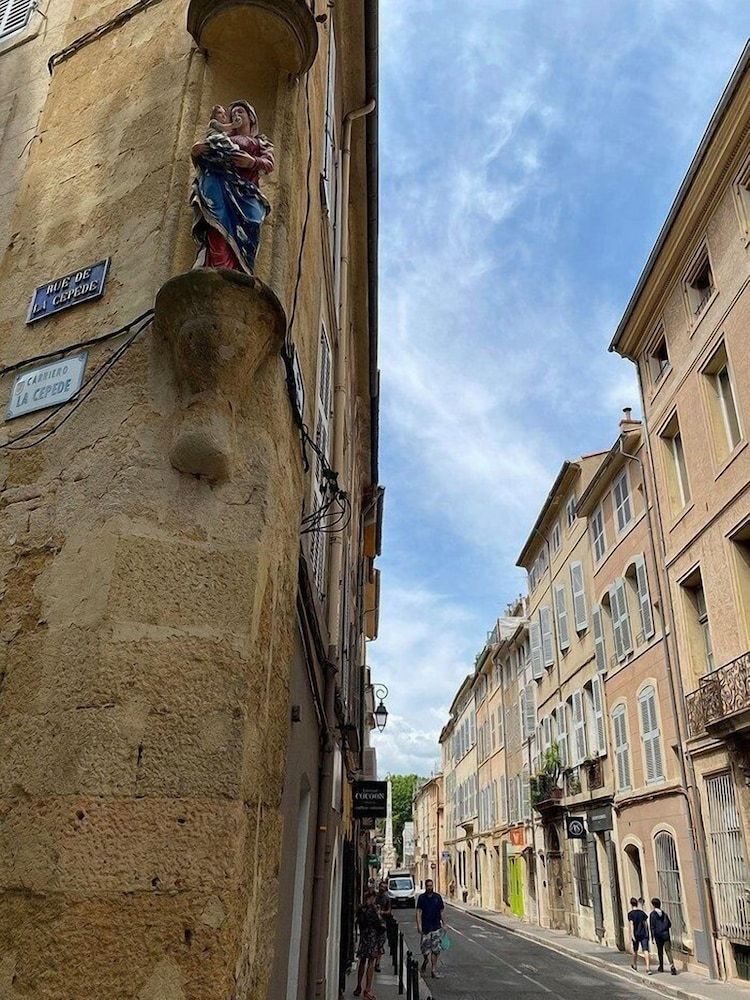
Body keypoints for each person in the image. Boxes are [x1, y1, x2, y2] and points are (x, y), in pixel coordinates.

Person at [191, 100, 275, 274]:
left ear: (251, 118)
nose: (236, 115)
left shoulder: (259, 142)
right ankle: (216, 264)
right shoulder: (223, 138)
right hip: (221, 183)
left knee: (250, 224)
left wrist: (252, 162)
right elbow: (206, 159)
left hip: (246, 192)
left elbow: (268, 164)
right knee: (217, 221)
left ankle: (239, 268)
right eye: (233, 113)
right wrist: (197, 152)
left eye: (240, 112)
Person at [353, 890, 384, 999]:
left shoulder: (361, 909)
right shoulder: (372, 910)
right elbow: (378, 925)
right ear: (371, 898)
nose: (374, 900)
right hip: (372, 938)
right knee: (371, 962)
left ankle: (358, 986)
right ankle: (368, 989)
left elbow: (358, 922)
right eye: (373, 898)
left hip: (364, 938)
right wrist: (378, 914)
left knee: (362, 962)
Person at [416, 878, 445, 980]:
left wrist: (444, 924)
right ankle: (425, 960)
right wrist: (419, 925)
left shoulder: (437, 897)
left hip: (436, 927)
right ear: (425, 886)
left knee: (435, 950)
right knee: (425, 950)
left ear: (433, 886)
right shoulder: (421, 898)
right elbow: (418, 912)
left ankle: (433, 970)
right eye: (428, 886)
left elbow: (441, 911)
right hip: (425, 927)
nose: (429, 887)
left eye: (431, 886)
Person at [649, 897, 678, 975]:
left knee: (660, 951)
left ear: (653, 905)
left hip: (658, 935)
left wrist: (652, 937)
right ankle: (672, 965)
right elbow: (669, 924)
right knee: (668, 950)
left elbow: (652, 926)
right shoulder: (664, 914)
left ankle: (661, 966)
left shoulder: (652, 914)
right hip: (666, 934)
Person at [628, 897, 652, 974]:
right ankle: (648, 968)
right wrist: (647, 933)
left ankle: (634, 965)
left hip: (636, 934)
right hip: (643, 934)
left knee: (635, 950)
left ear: (631, 904)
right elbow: (646, 924)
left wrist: (632, 935)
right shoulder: (642, 913)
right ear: (637, 904)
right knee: (646, 950)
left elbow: (631, 924)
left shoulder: (630, 914)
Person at [374, 880, 393, 973]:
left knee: (380, 943)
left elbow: (389, 911)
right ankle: (373, 961)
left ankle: (377, 963)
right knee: (374, 942)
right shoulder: (375, 897)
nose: (382, 889)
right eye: (381, 887)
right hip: (373, 923)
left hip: (382, 923)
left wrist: (382, 912)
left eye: (384, 887)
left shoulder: (387, 899)